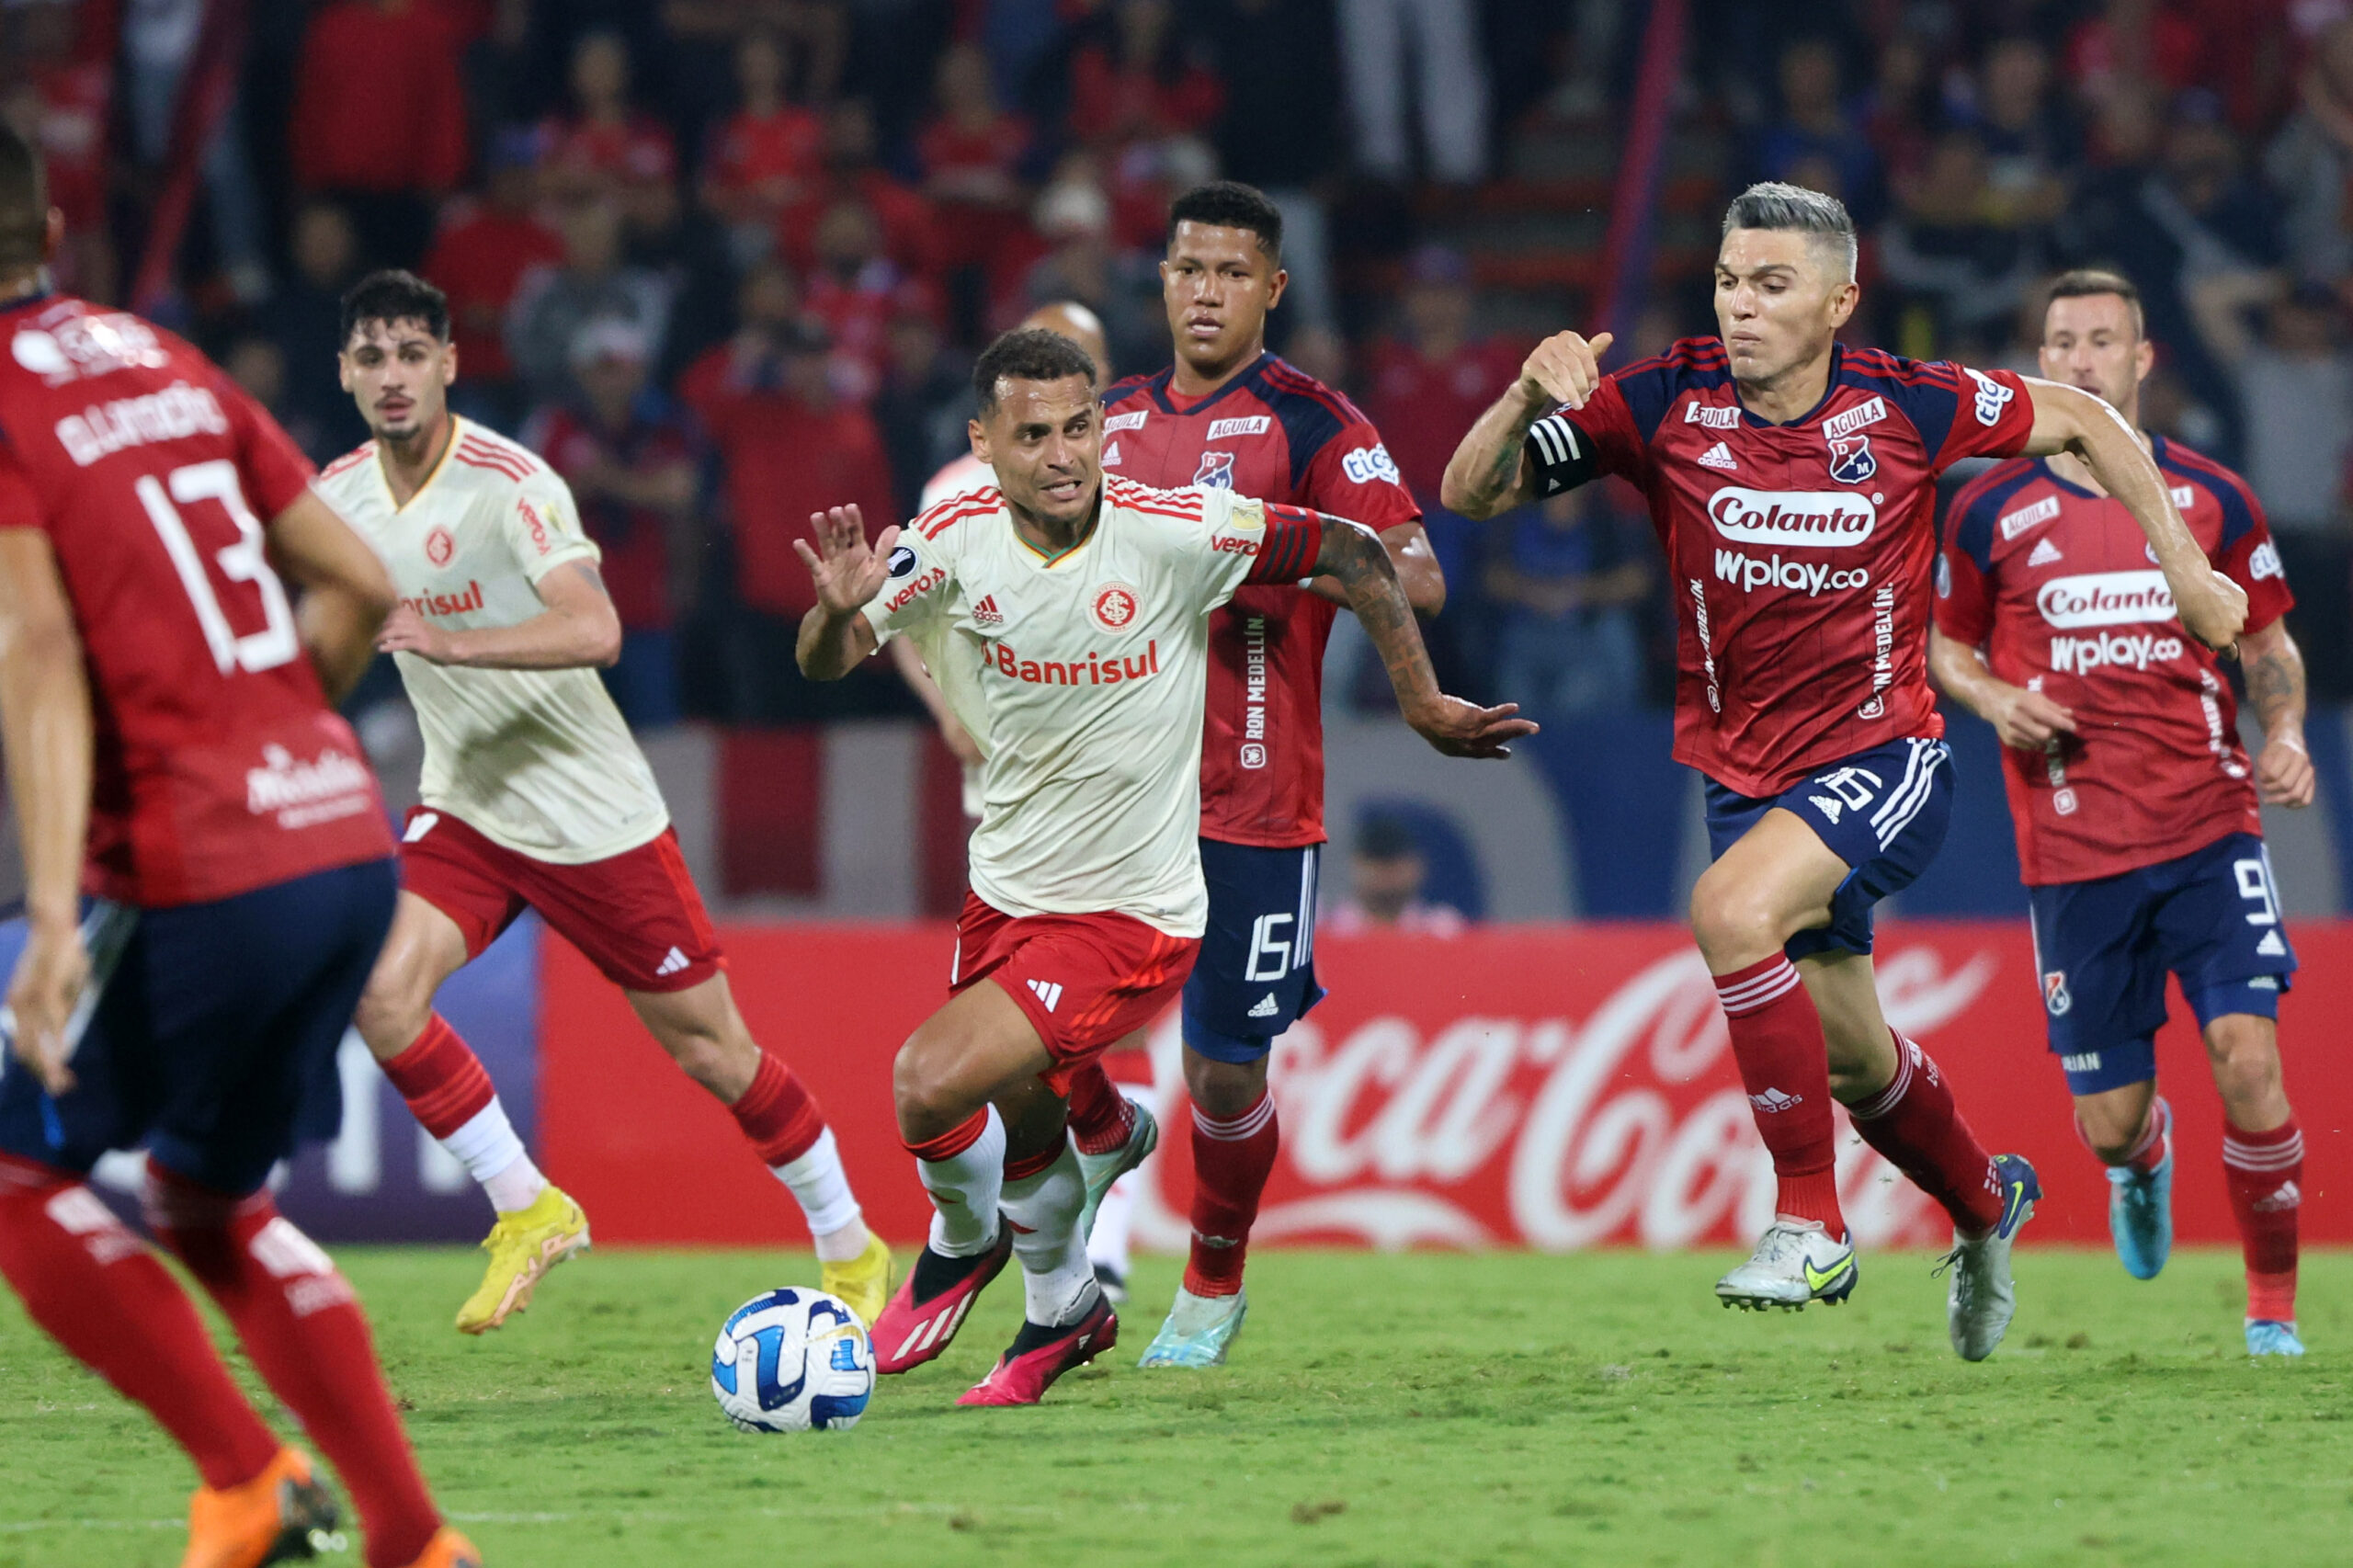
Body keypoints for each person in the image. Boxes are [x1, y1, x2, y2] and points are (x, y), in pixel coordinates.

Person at [1441, 181, 2246, 1358]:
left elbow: (2081, 416)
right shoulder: (1662, 398)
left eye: (1771, 286)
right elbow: (1472, 490)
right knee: (1858, 1058)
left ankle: (1807, 1219)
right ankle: (1984, 1204)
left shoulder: (1909, 403)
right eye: (1728, 281)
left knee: (1726, 909)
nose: (1741, 307)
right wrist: (1522, 391)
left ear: (1838, 301)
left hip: (1885, 754)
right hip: (1742, 776)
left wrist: (2178, 561)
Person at [794, 327, 1528, 1405]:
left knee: (928, 1084)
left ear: (1103, 428)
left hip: (1134, 911)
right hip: (1006, 891)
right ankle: (1064, 1313)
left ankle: (960, 1242)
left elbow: (1355, 553)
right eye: (1032, 433)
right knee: (1028, 1111)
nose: (1061, 452)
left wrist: (1418, 700)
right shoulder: (947, 541)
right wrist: (835, 607)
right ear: (981, 443)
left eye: (1079, 427)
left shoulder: (1176, 528)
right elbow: (827, 661)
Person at [0, 125, 477, 1568]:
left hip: (198, 863)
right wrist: (271, 730)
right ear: (57, 220)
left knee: (17, 1177)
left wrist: (54, 920)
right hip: (338, 840)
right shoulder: (159, 357)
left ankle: (247, 1476)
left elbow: (32, 651)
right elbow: (363, 578)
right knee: (210, 1197)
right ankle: (410, 1538)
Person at [316, 270, 891, 1335]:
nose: (392, 376)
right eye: (370, 356)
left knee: (713, 1051)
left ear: (448, 363)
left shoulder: (512, 481)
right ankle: (526, 1203)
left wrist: (453, 643)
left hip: (592, 815)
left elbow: (597, 629)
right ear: (346, 373)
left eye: (411, 354)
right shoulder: (338, 494)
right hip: (470, 804)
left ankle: (851, 1243)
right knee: (381, 992)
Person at [1065, 181, 1443, 1368]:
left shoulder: (1315, 423)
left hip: (1257, 799)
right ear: (1163, 281)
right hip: (1119, 793)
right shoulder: (1108, 420)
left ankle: (1213, 1277)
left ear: (1273, 289)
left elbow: (1416, 573)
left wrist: (1265, 553)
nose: (1209, 291)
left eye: (1234, 272)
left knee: (1225, 1069)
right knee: (1047, 1028)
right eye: (1190, 269)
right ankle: (1080, 1188)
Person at [1929, 269, 2313, 1357]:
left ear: (2142, 361)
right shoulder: (1988, 506)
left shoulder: (2212, 497)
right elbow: (1941, 644)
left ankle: (2270, 1309)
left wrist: (2279, 732)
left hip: (2207, 822)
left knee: (2246, 1051)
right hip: (2073, 848)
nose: (2082, 359)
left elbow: (2266, 639)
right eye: (2062, 342)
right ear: (2038, 362)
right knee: (2107, 1121)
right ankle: (2140, 1162)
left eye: (2104, 341)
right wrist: (1992, 695)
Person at [1321, 815, 1468, 936]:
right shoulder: (1327, 929)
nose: (1386, 872)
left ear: (1416, 866)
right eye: (1376, 861)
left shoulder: (1443, 930)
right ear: (1356, 864)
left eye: (1395, 862)